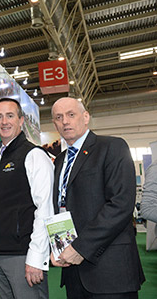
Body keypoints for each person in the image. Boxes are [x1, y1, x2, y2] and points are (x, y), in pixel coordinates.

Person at [50, 97, 145, 298]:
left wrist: (80, 248)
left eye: (71, 114)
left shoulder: (112, 147)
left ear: (86, 117)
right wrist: (59, 247)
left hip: (110, 270)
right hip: (73, 271)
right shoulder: (59, 161)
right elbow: (62, 207)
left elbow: (120, 205)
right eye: (59, 117)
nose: (65, 121)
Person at [0, 98, 54, 299]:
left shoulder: (34, 155)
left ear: (21, 120)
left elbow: (45, 208)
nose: (4, 121)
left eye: (10, 115)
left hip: (23, 256)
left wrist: (36, 257)